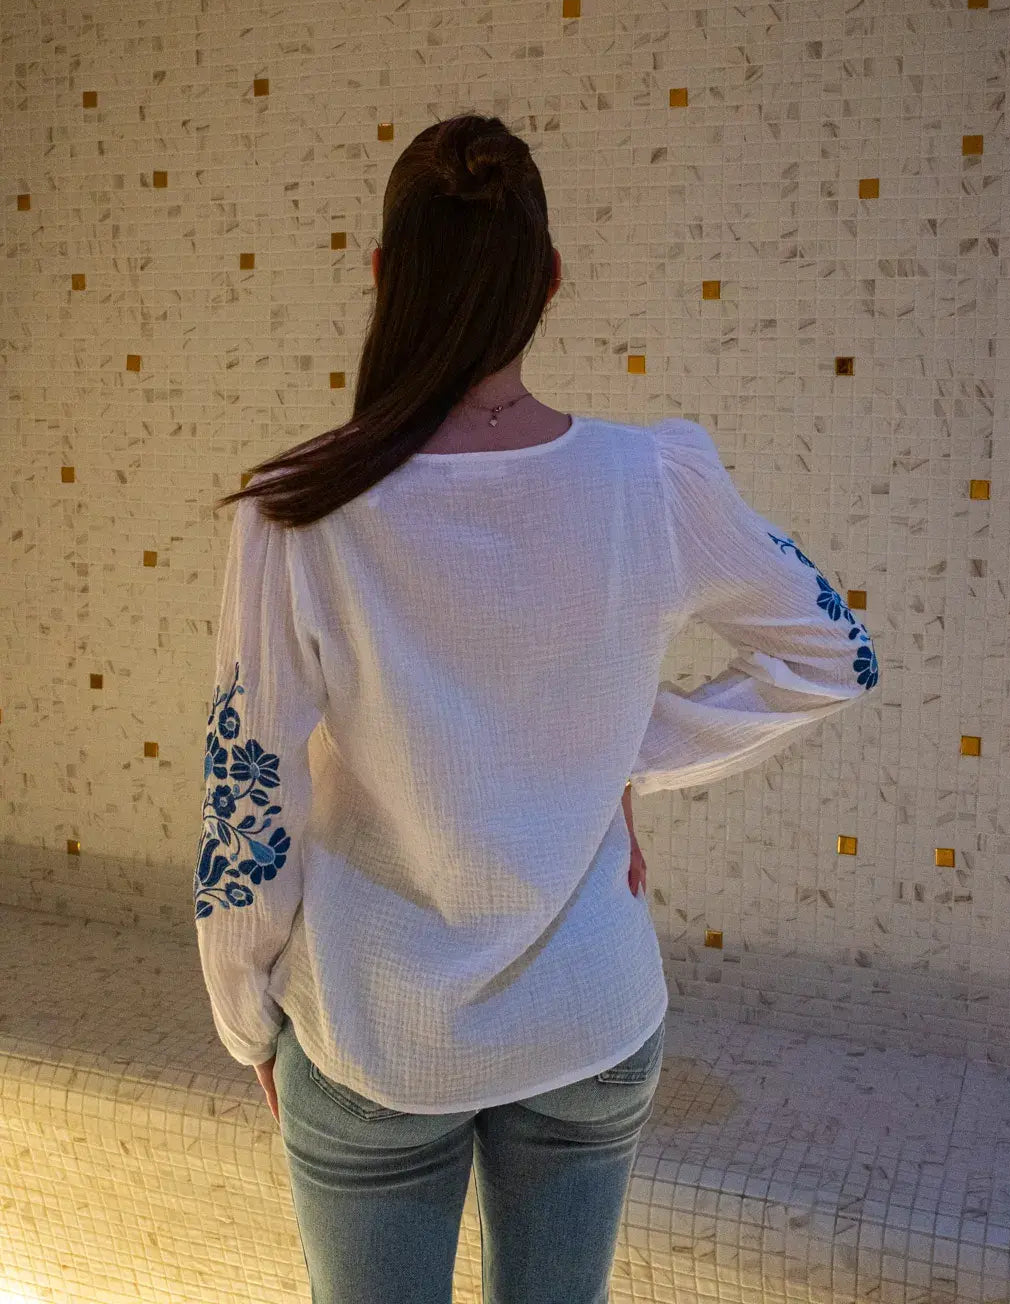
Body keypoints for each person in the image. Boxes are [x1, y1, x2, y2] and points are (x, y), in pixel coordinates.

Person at [195, 113, 878, 1303]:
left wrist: (244, 1017)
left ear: (382, 271)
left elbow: (248, 798)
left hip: (375, 1028)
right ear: (550, 278)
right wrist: (611, 755)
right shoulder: (649, 478)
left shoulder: (297, 509)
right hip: (590, 1018)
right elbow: (832, 656)